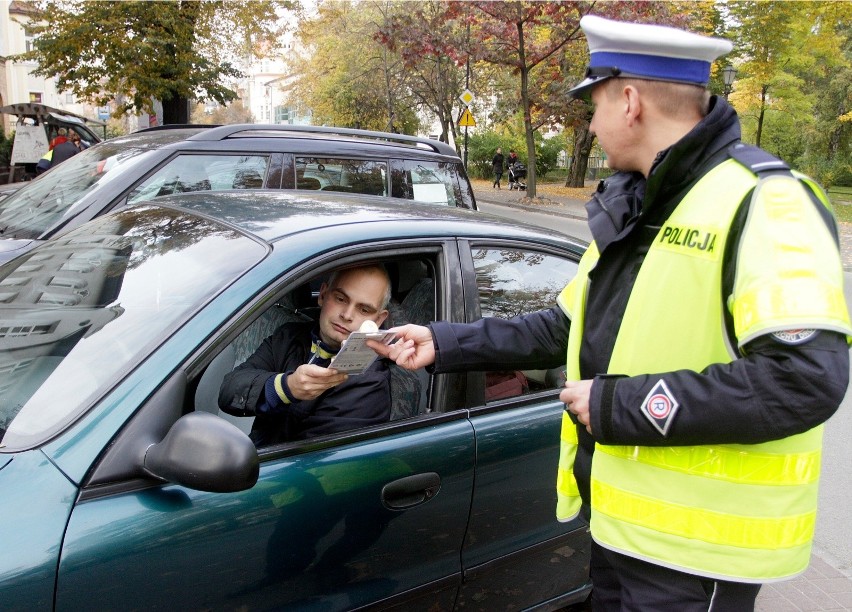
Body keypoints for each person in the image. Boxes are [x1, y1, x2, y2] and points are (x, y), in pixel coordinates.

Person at [370, 14, 851, 611]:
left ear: (629, 101)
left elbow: (802, 380)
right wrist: (444, 343)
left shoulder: (767, 202)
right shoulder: (635, 205)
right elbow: (565, 327)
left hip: (696, 554)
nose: (592, 127)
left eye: (592, 107)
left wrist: (615, 404)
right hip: (621, 532)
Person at [220, 264, 393, 446]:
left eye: (364, 310)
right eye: (341, 298)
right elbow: (229, 391)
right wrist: (286, 387)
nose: (347, 315)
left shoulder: (370, 382)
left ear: (379, 319)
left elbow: (311, 460)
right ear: (323, 295)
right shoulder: (288, 337)